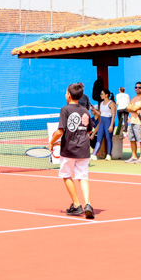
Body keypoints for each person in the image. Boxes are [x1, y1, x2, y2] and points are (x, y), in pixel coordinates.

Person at [48, 83, 94, 219]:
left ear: (68, 95)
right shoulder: (85, 111)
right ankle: (88, 204)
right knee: (83, 177)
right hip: (84, 149)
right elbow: (89, 131)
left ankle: (76, 204)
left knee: (66, 175)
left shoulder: (65, 109)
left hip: (69, 150)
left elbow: (60, 131)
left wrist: (51, 142)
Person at [126, 82, 141, 163]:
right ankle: (134, 156)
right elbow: (128, 108)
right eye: (136, 87)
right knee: (132, 139)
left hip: (140, 122)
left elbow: (133, 108)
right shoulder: (133, 98)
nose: (137, 89)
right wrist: (132, 108)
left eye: (139, 87)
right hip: (132, 121)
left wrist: (132, 108)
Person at [91, 88, 114, 161]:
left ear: (106, 95)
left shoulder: (111, 103)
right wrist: (94, 110)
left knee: (108, 138)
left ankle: (108, 155)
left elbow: (113, 115)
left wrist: (111, 125)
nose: (100, 95)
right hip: (102, 122)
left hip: (108, 121)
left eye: (102, 94)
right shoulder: (101, 103)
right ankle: (94, 154)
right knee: (99, 138)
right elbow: (100, 114)